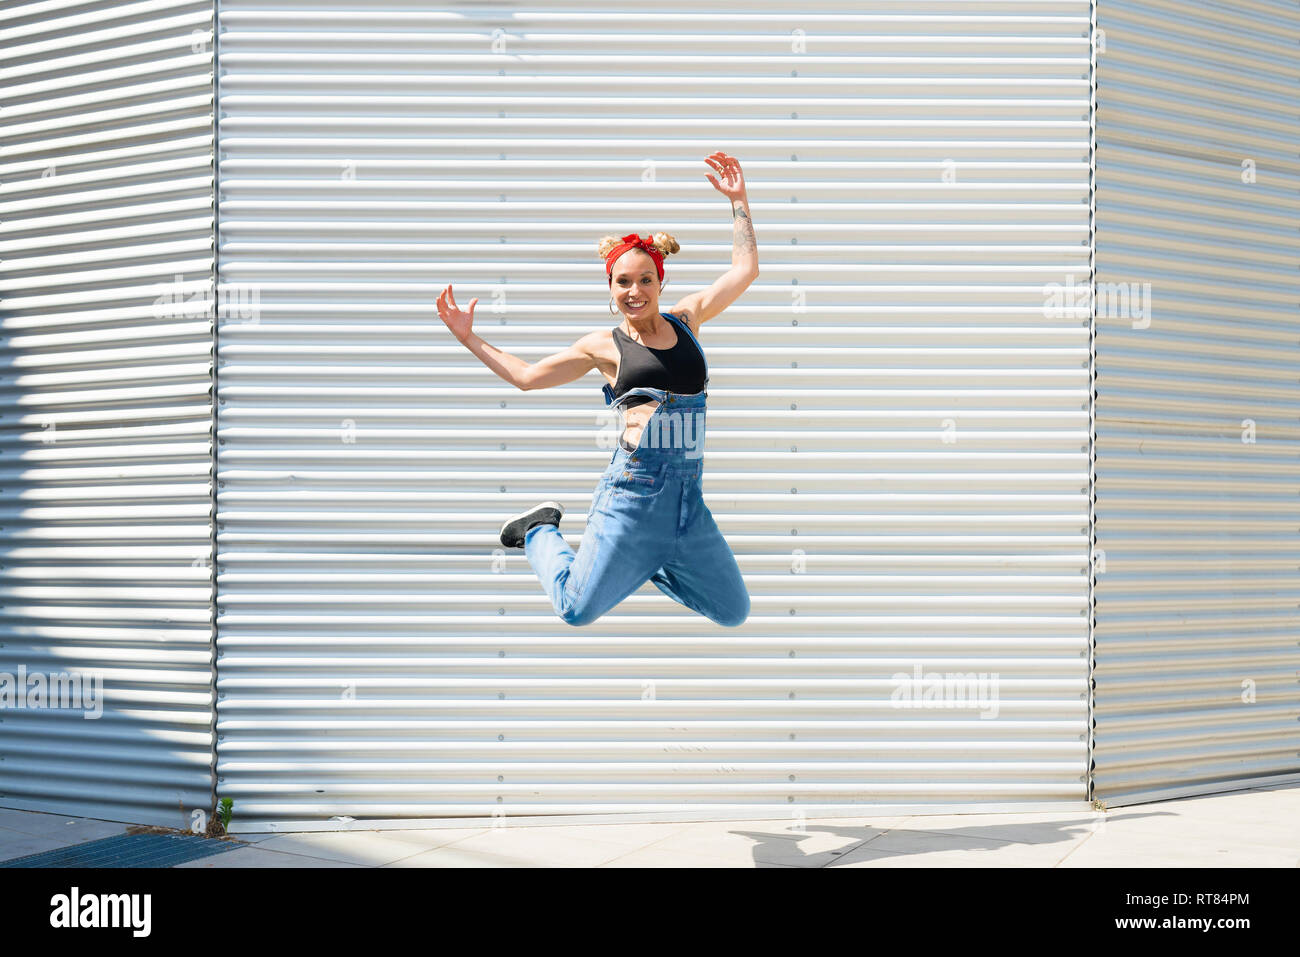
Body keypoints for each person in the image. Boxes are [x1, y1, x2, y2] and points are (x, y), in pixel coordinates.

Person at [436, 151, 758, 626]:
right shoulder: (602, 348)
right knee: (575, 609)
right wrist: (468, 337)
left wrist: (739, 201)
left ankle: (645, 562)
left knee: (733, 611)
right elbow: (525, 377)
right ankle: (539, 530)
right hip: (632, 497)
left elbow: (743, 271)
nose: (635, 291)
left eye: (645, 279)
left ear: (659, 281)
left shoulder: (687, 321)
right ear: (610, 288)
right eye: (623, 282)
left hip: (689, 503)